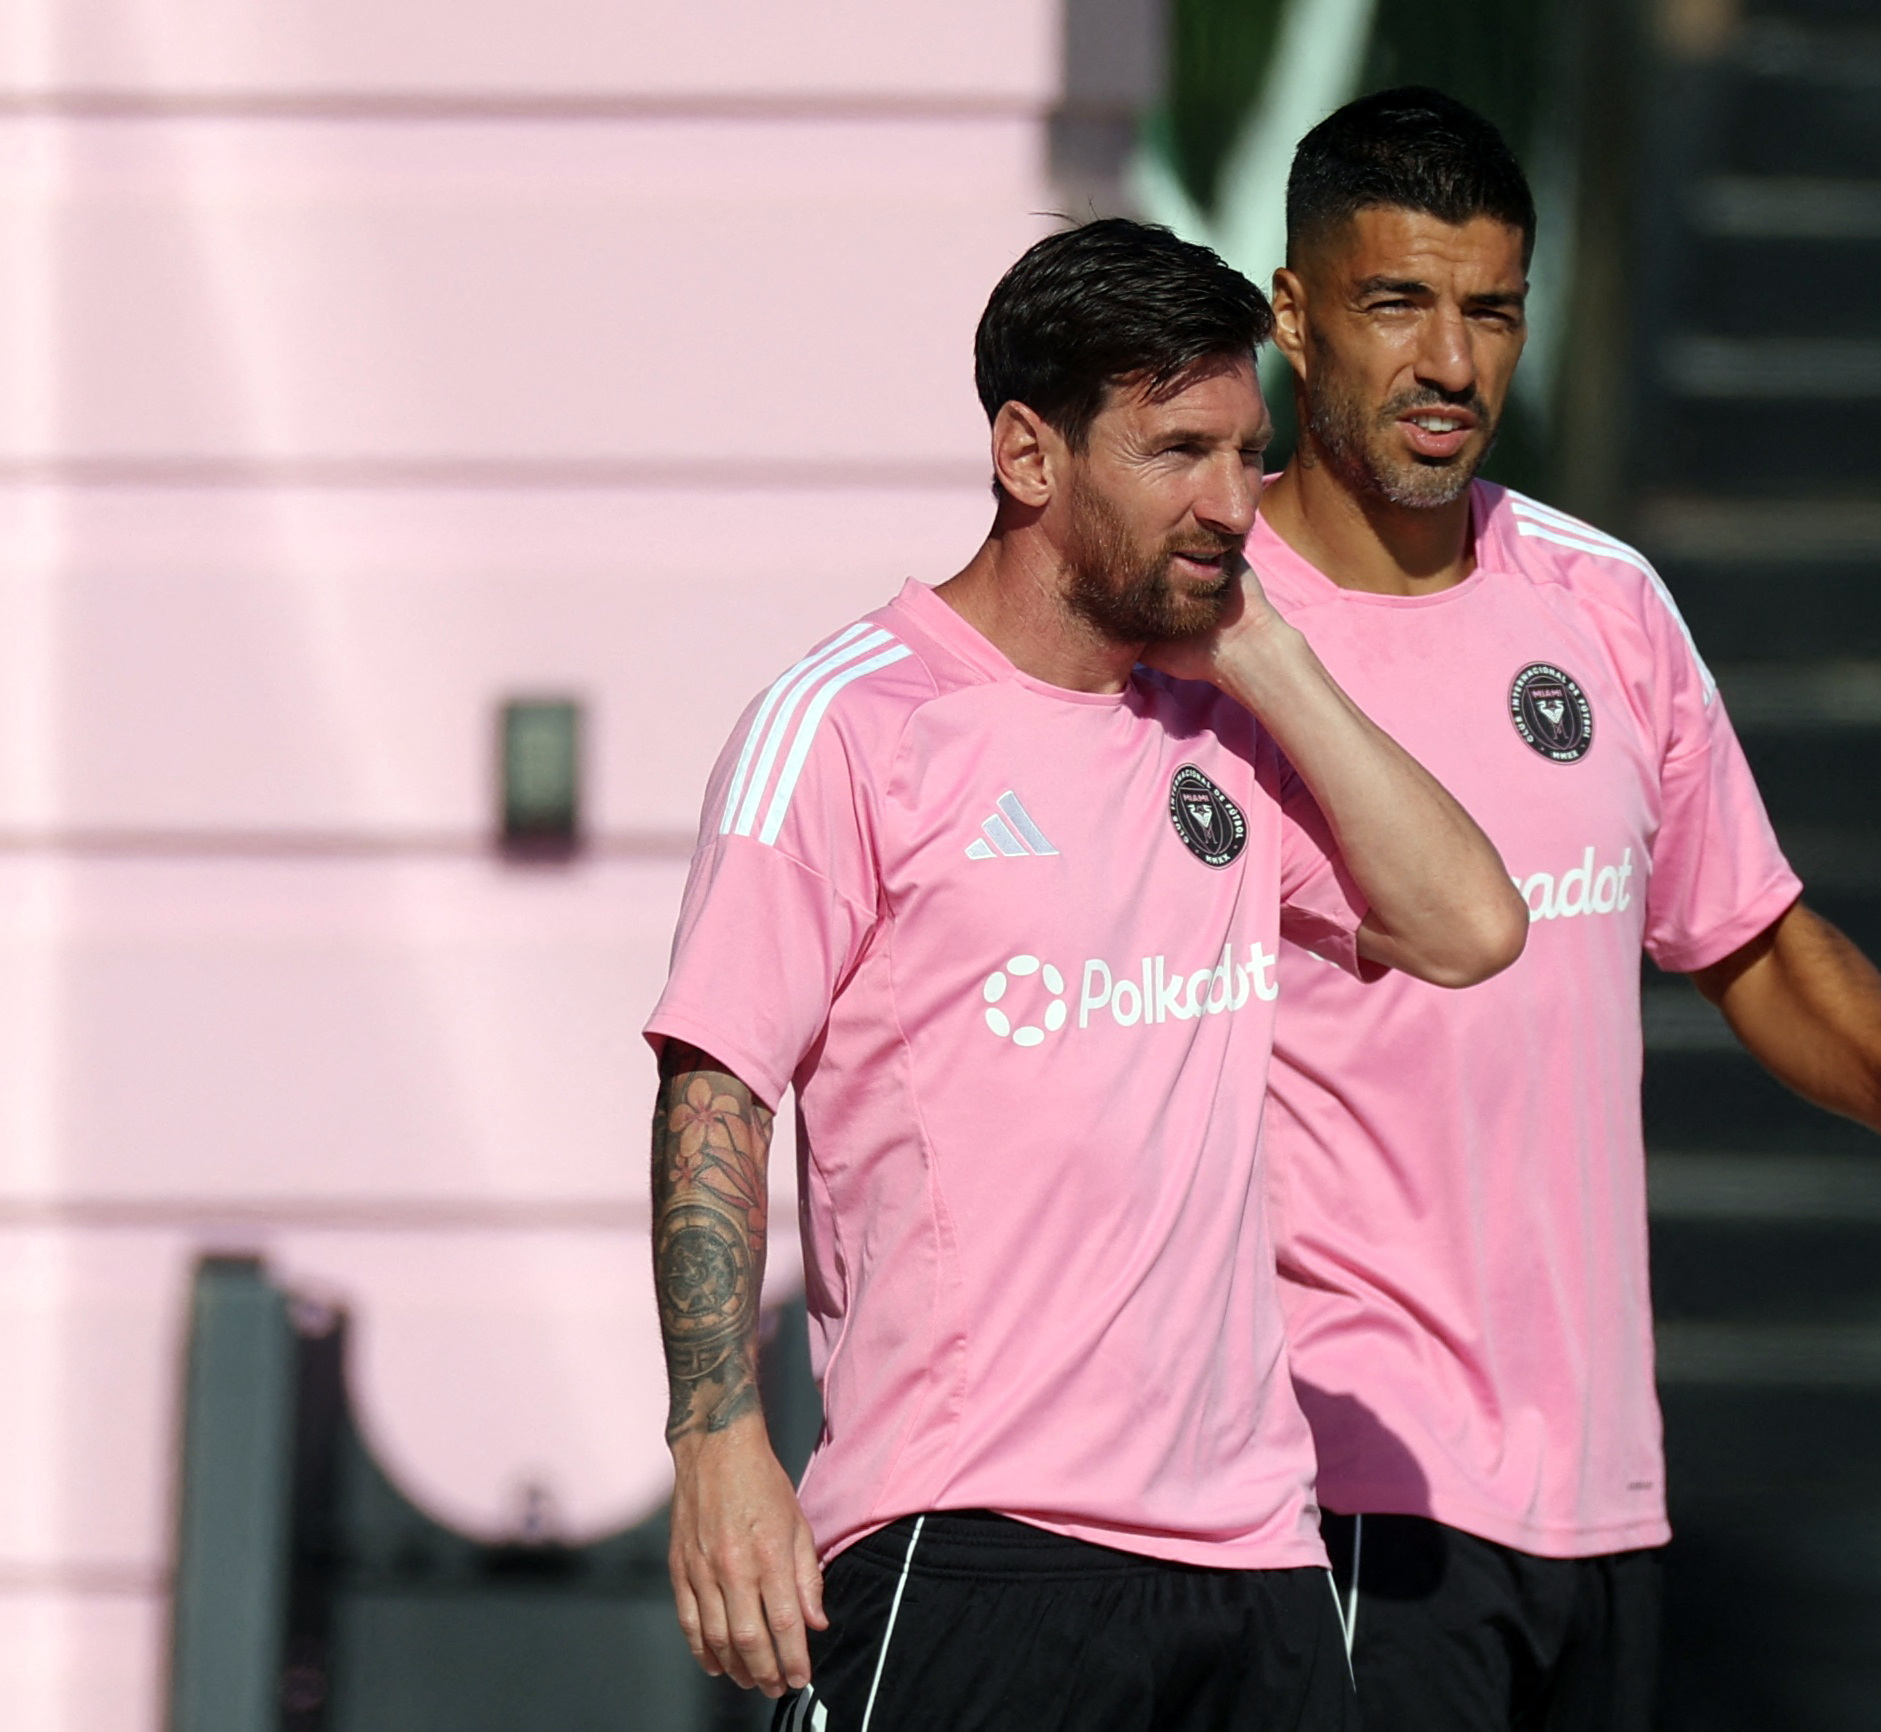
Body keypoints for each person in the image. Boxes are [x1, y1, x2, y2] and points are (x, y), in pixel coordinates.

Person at [1247, 88, 1881, 1732]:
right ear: (1294, 316)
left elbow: (1744, 933)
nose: (1453, 364)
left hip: (1601, 1491)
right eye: (1398, 304)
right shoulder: (1203, 644)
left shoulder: (1607, 603)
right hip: (1334, 1483)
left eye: (1492, 310)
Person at [642, 217, 1527, 1731]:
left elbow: (1469, 928)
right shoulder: (851, 726)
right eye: (1177, 451)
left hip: (1257, 1559)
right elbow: (716, 1087)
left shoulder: (1221, 732)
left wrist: (1265, 658)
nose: (1232, 503)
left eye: (1248, 454)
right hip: (973, 1544)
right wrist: (720, 1439)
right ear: (1029, 457)